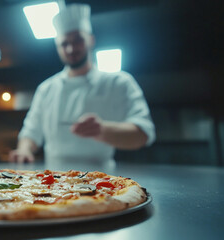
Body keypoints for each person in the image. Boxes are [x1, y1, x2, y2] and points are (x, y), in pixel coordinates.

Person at [9, 4, 155, 169]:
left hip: (103, 180)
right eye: (64, 44)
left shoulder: (119, 81)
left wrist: (103, 130)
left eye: (78, 40)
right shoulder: (46, 88)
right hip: (51, 181)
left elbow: (143, 133)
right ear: (58, 47)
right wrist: (24, 150)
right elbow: (31, 132)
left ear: (91, 40)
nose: (71, 48)